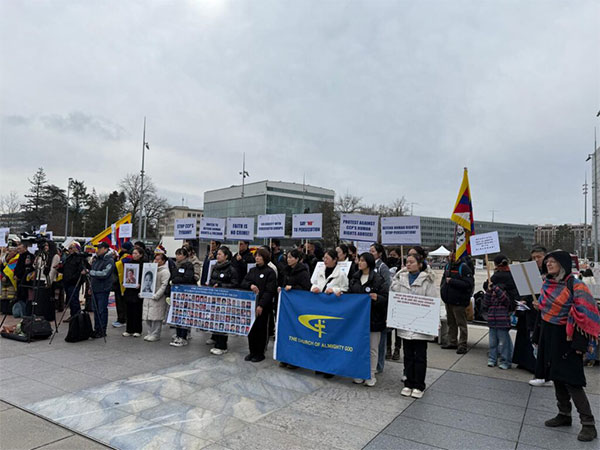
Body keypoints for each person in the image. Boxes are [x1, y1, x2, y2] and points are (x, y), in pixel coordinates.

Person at [535, 250, 599, 442]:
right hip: (551, 335)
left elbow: (587, 314)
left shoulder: (576, 285)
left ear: (563, 264)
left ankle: (588, 424)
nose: (549, 264)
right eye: (547, 262)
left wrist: (581, 344)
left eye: (553, 262)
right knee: (556, 375)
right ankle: (564, 414)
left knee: (572, 380)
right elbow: (545, 310)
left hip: (569, 339)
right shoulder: (547, 284)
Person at [391, 253, 437, 399]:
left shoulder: (427, 281)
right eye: (406, 262)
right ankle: (408, 383)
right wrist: (397, 277)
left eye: (411, 262)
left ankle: (419, 385)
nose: (408, 264)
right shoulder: (401, 278)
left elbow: (432, 301)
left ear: (420, 264)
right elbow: (394, 294)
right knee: (408, 355)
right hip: (405, 323)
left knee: (420, 355)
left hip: (420, 324)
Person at [349, 252, 388, 386]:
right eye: (359, 260)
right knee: (359, 347)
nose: (359, 263)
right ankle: (359, 372)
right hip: (358, 319)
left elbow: (386, 298)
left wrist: (377, 298)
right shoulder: (354, 278)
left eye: (362, 261)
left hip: (374, 318)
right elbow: (350, 295)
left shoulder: (378, 279)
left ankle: (371, 374)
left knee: (372, 348)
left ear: (369, 263)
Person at [513, 246, 548, 381]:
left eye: (539, 257)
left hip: (541, 311)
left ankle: (536, 366)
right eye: (534, 258)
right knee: (524, 336)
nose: (536, 260)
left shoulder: (549, 272)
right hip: (527, 309)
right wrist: (521, 299)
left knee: (536, 339)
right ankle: (523, 361)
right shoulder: (527, 270)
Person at [241, 248, 277, 362]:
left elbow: (269, 291)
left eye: (259, 256)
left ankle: (260, 353)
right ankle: (252, 351)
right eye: (256, 256)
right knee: (251, 329)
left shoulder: (270, 272)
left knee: (261, 330)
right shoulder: (252, 270)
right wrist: (250, 285)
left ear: (265, 258)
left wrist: (261, 305)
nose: (257, 258)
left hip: (263, 306)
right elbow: (243, 283)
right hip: (251, 305)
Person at [277, 248, 312, 369]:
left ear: (297, 259)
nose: (289, 259)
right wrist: (281, 288)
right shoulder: (286, 270)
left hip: (298, 307)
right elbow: (283, 283)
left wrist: (293, 287)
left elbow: (307, 288)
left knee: (297, 333)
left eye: (292, 257)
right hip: (288, 307)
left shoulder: (303, 272)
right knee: (287, 332)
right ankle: (285, 357)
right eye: (288, 257)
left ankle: (295, 360)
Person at [483, 254, 518, 370]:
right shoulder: (512, 274)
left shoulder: (498, 276)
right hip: (496, 316)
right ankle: (499, 358)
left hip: (502, 314)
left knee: (502, 340)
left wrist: (494, 289)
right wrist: (489, 291)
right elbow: (486, 301)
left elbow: (504, 299)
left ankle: (505, 359)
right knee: (499, 340)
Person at [440, 252, 474, 354]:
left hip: (459, 301)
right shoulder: (448, 266)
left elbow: (469, 284)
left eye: (454, 256)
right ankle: (452, 341)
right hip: (449, 300)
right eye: (450, 256)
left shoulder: (464, 268)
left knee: (461, 324)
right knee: (451, 323)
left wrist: (452, 281)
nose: (451, 257)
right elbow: (443, 280)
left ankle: (462, 344)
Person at [208, 246, 238, 355]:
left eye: (220, 254)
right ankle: (216, 341)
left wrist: (221, 285)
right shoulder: (215, 267)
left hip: (225, 299)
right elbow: (211, 279)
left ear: (226, 256)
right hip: (215, 298)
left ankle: (222, 345)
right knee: (215, 319)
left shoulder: (231, 269)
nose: (218, 256)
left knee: (223, 321)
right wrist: (212, 284)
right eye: (217, 254)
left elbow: (234, 284)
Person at [370, 243, 391, 373]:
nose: (371, 253)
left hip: (381, 304)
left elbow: (387, 286)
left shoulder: (383, 267)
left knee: (381, 338)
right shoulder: (370, 267)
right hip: (371, 306)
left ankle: (379, 364)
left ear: (379, 253)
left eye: (373, 251)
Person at [87, 242, 115, 338]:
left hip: (103, 288)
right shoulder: (96, 259)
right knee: (95, 310)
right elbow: (93, 277)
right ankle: (97, 329)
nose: (97, 250)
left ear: (105, 249)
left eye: (99, 248)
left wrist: (90, 272)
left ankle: (102, 330)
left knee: (102, 310)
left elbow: (104, 273)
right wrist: (90, 287)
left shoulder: (109, 260)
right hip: (95, 288)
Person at [170, 247, 197, 347]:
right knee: (178, 314)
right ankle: (178, 335)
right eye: (177, 254)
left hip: (186, 293)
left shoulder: (188, 265)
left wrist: (176, 280)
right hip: (177, 293)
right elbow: (173, 277)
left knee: (184, 315)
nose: (177, 256)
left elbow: (187, 278)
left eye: (180, 254)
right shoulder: (175, 265)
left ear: (185, 256)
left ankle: (183, 336)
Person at [142, 252, 170, 341]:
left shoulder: (165, 271)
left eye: (158, 259)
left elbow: (164, 285)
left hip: (158, 297)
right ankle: (149, 332)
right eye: (155, 259)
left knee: (156, 317)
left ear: (163, 261)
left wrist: (157, 295)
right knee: (148, 316)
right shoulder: (152, 269)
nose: (156, 261)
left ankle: (156, 334)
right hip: (148, 295)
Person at [59, 242, 87, 322]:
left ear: (76, 249)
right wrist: (58, 268)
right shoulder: (69, 257)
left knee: (74, 300)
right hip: (67, 281)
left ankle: (76, 316)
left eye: (71, 248)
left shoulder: (79, 258)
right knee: (70, 300)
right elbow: (65, 269)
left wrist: (73, 278)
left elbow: (81, 270)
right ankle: (73, 315)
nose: (69, 250)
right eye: (69, 248)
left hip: (74, 282)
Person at [122, 247, 145, 337]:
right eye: (133, 253)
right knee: (129, 310)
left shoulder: (143, 265)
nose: (134, 255)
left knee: (137, 310)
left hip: (137, 291)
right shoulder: (129, 264)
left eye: (136, 253)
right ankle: (129, 329)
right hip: (129, 290)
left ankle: (137, 330)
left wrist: (140, 285)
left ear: (141, 255)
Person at [112, 241, 134, 328]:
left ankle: (122, 319)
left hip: (123, 283)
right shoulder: (122, 256)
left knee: (122, 302)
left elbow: (118, 265)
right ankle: (121, 318)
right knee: (119, 302)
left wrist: (116, 259)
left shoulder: (128, 257)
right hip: (119, 283)